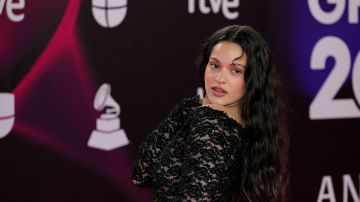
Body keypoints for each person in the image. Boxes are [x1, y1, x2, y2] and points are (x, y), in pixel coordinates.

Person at [132, 25, 289, 202]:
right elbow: (141, 174)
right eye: (215, 66)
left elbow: (142, 175)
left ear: (252, 79)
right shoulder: (246, 125)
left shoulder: (211, 124)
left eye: (235, 70)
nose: (220, 78)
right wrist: (187, 108)